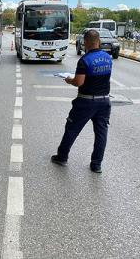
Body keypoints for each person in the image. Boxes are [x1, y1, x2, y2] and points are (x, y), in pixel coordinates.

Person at [51, 29, 112, 173]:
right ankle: (96, 165)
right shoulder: (107, 57)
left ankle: (62, 156)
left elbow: (79, 82)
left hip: (86, 102)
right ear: (100, 41)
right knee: (101, 134)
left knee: (72, 129)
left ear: (85, 43)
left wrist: (69, 80)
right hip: (104, 101)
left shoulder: (85, 60)